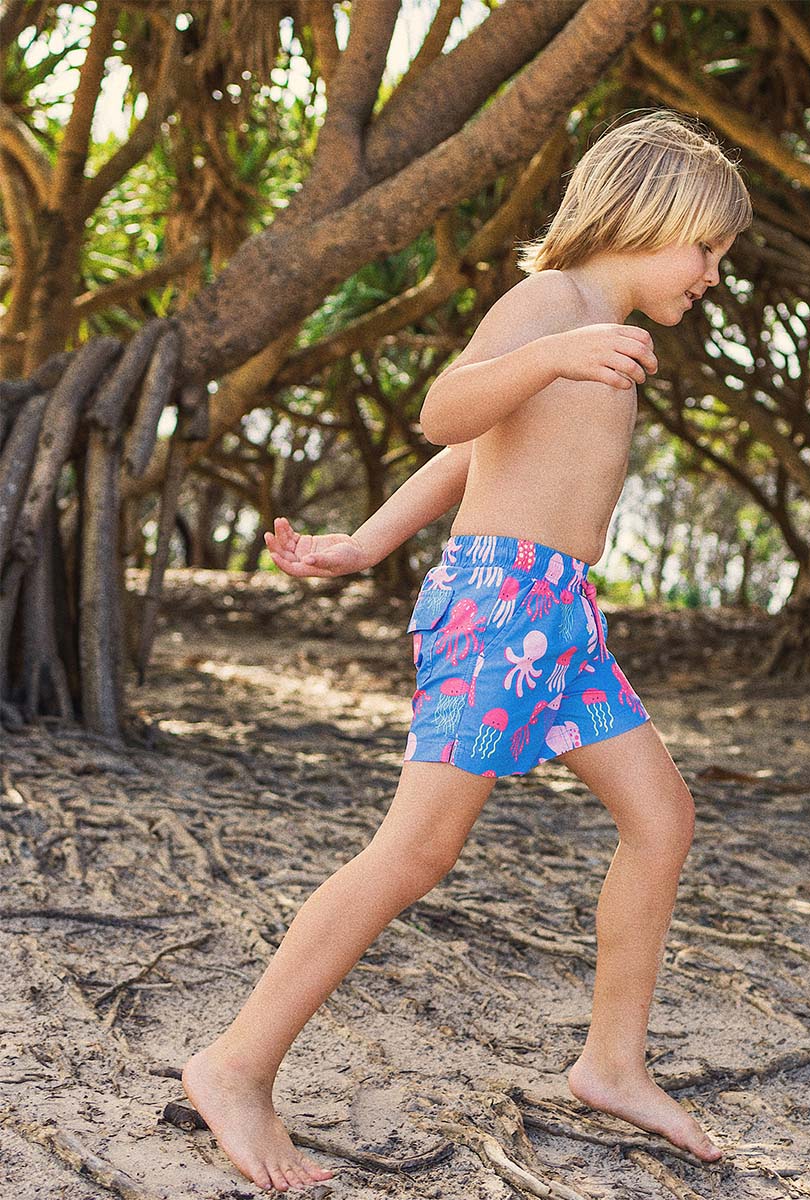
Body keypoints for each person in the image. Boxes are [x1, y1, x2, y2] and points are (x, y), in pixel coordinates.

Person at [182, 108, 752, 1192]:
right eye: (709, 249)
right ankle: (235, 1064)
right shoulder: (554, 306)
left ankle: (612, 1063)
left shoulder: (601, 334)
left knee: (661, 817)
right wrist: (554, 351)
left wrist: (367, 540)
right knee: (414, 856)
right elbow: (449, 411)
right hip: (499, 610)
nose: (714, 276)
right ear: (649, 217)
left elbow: (479, 459)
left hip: (561, 618)